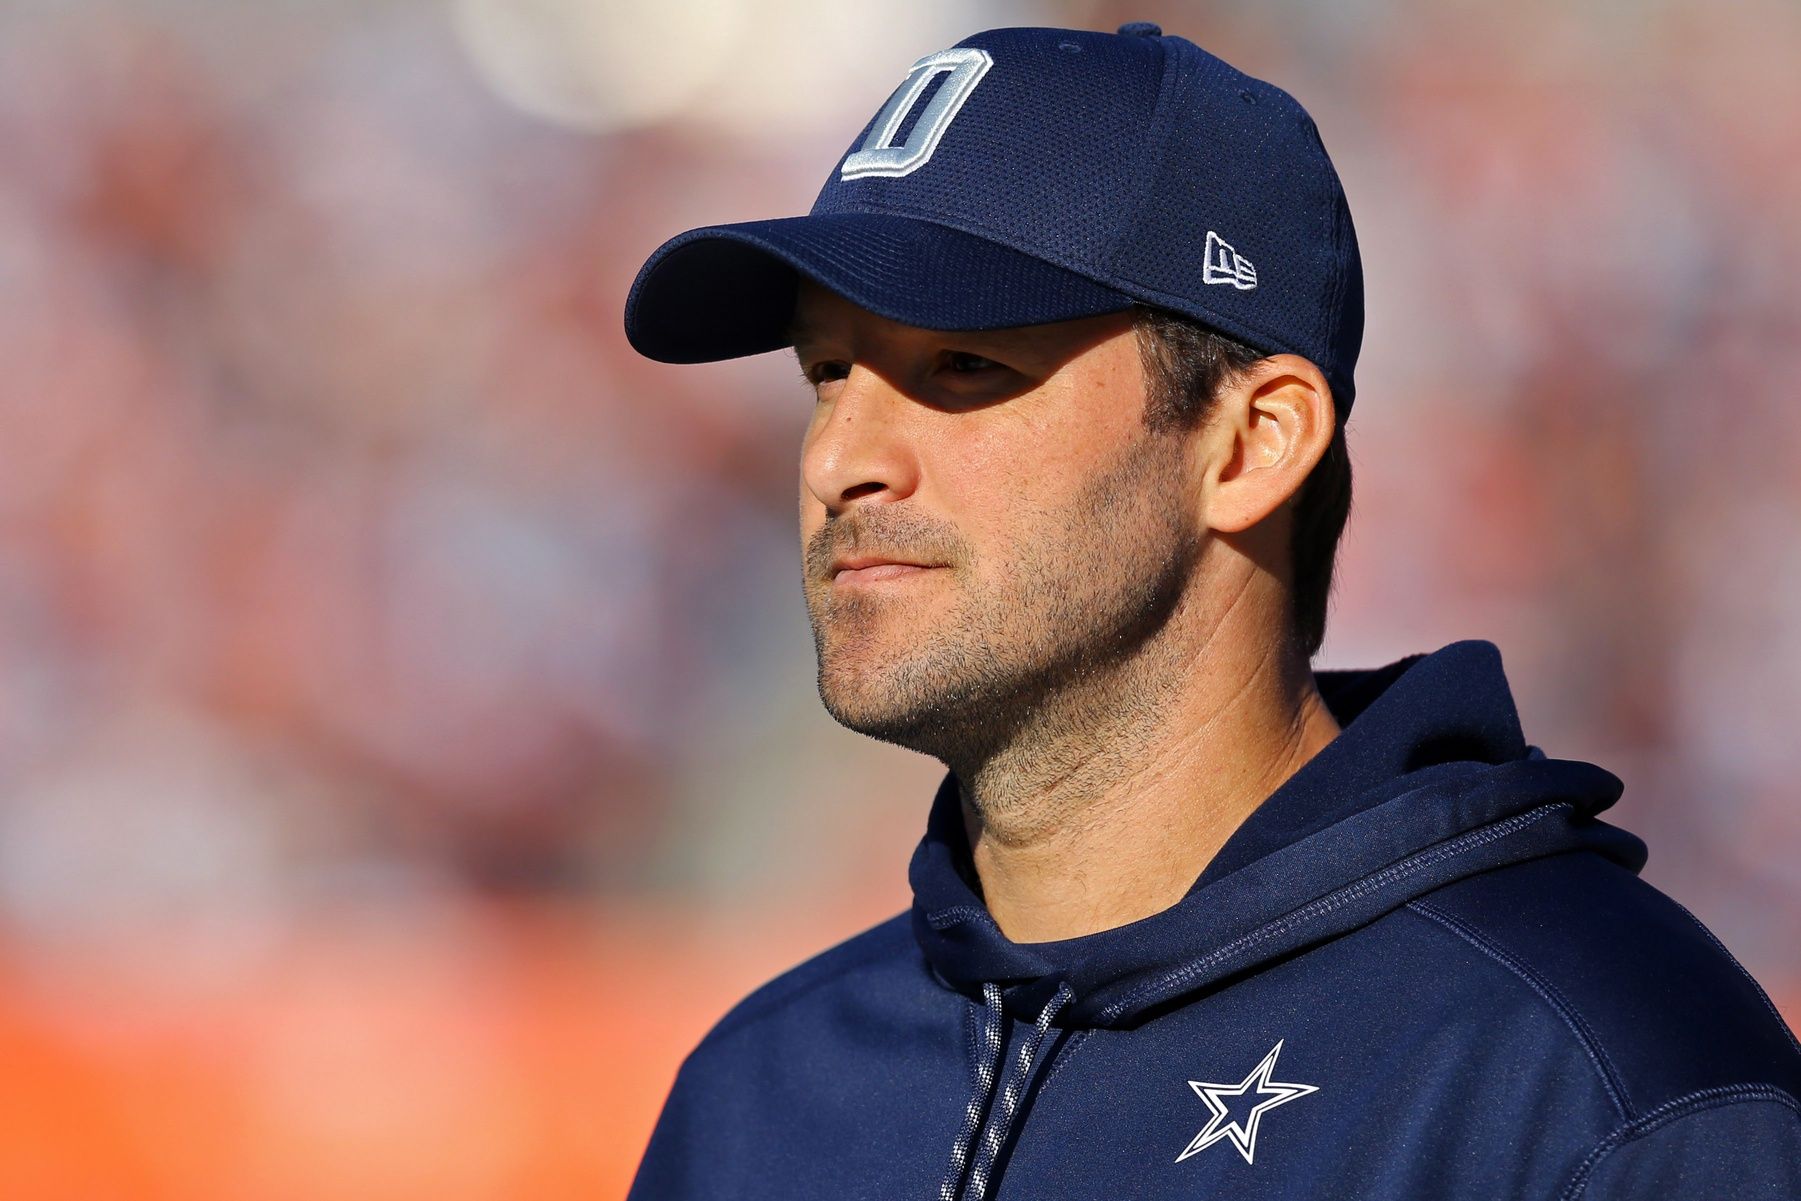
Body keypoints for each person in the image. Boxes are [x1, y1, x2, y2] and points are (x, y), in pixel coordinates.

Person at [619, 21, 1801, 1200]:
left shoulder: (1594, 1090)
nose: (839, 459)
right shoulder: (755, 1095)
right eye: (828, 372)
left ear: (1251, 443)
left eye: (964, 367)